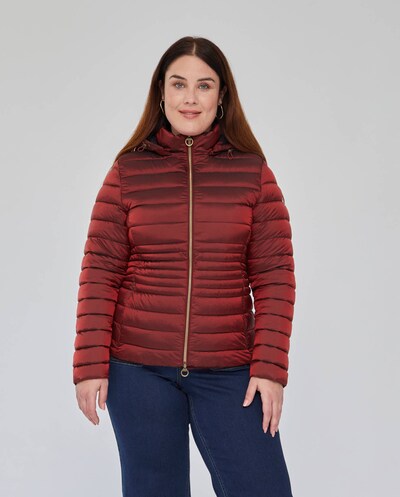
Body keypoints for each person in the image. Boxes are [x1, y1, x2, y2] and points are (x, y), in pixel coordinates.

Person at [73, 35, 296, 497]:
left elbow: (275, 277)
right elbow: (100, 272)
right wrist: (90, 364)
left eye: (203, 85)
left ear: (222, 95)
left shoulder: (253, 173)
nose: (190, 98)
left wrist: (270, 368)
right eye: (178, 84)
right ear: (161, 92)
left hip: (231, 372)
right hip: (138, 370)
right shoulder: (127, 172)